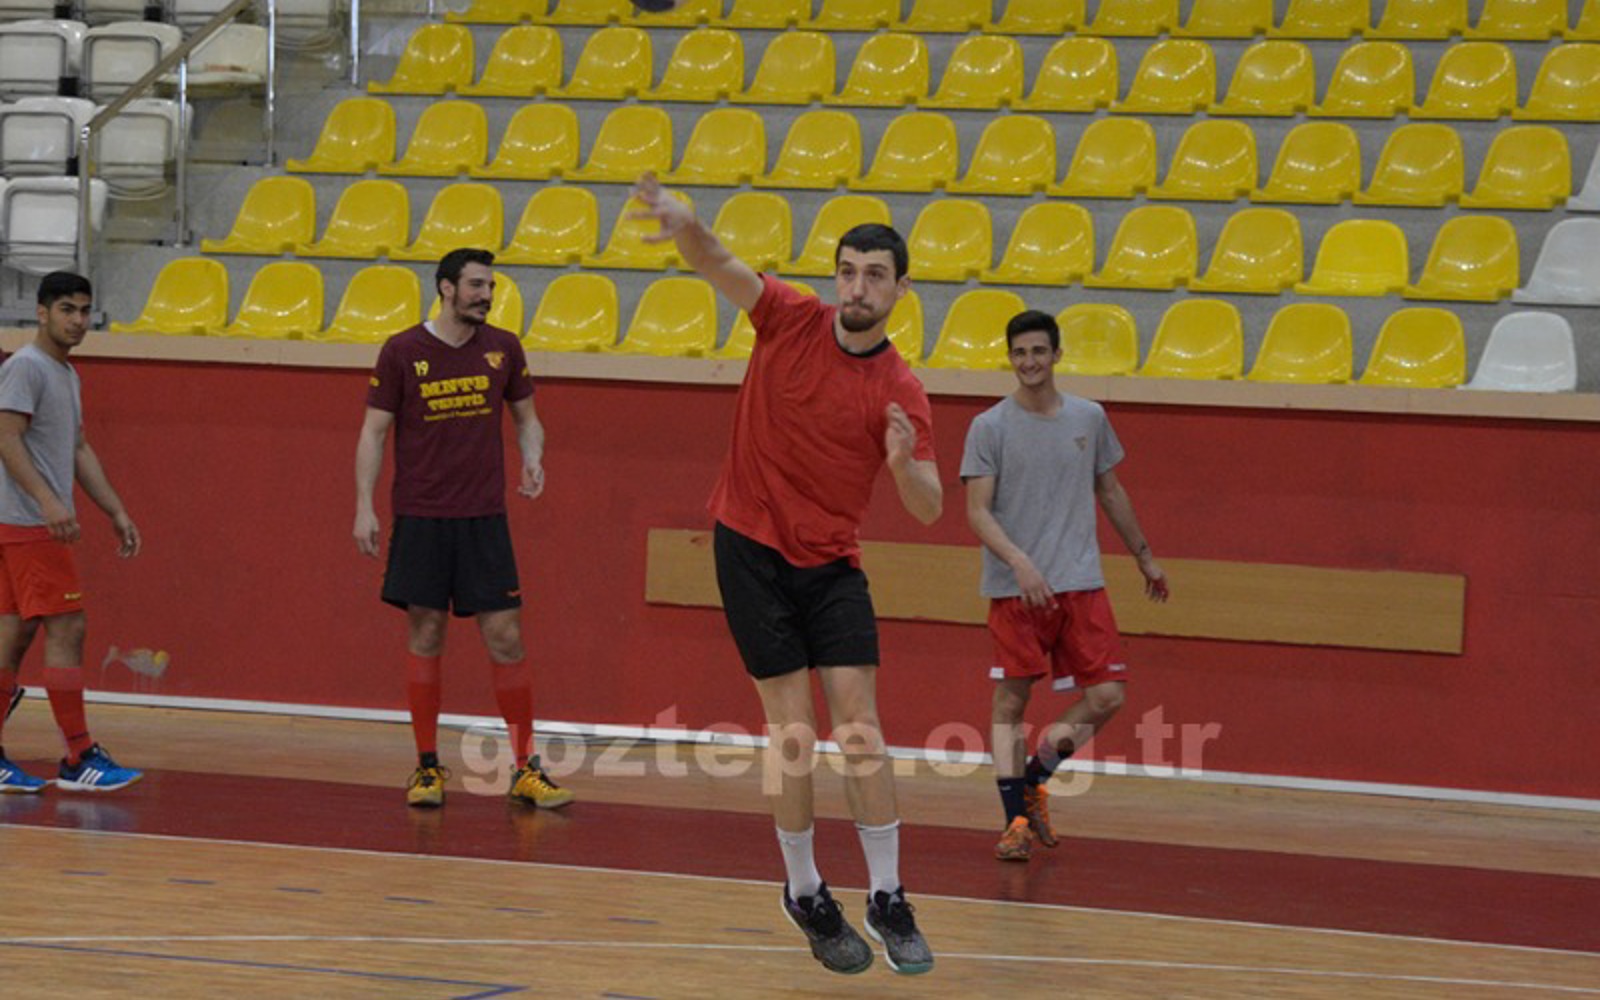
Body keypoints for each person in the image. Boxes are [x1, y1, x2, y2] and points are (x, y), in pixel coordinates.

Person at [630, 173, 940, 976]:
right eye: (848, 271)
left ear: (901, 290)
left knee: (861, 728)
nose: (858, 287)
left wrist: (903, 464)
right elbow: (718, 262)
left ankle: (888, 896)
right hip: (750, 546)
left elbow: (930, 506)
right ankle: (804, 891)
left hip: (831, 563)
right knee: (794, 732)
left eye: (875, 275)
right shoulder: (790, 318)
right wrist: (685, 223)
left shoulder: (901, 390)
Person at [353, 247, 573, 812]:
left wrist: (532, 457)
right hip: (421, 517)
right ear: (446, 288)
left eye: (490, 287)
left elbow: (528, 419)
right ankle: (427, 767)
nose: (486, 295)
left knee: (507, 638)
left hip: (484, 520)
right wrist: (364, 506)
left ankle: (524, 768)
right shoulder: (403, 351)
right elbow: (374, 432)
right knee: (426, 636)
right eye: (476, 285)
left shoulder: (504, 348)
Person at [961, 310, 1169, 862]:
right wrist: (1019, 562)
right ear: (1010, 358)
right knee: (1011, 702)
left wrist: (1144, 557)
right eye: (1019, 353)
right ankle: (1014, 822)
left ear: (1056, 355)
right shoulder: (989, 426)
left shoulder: (1089, 417)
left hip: (1079, 581)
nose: (1028, 361)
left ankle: (1035, 778)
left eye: (1038, 351)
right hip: (1015, 589)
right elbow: (977, 511)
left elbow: (1111, 490)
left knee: (1107, 696)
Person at [0, 271, 143, 794]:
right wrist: (47, 501)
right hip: (27, 522)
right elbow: (6, 437)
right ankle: (79, 756)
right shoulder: (27, 367)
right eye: (67, 309)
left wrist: (115, 510)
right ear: (41, 313)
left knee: (13, 635)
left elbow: (78, 449)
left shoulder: (65, 373)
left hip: (21, 522)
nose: (78, 320)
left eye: (84, 310)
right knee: (68, 626)